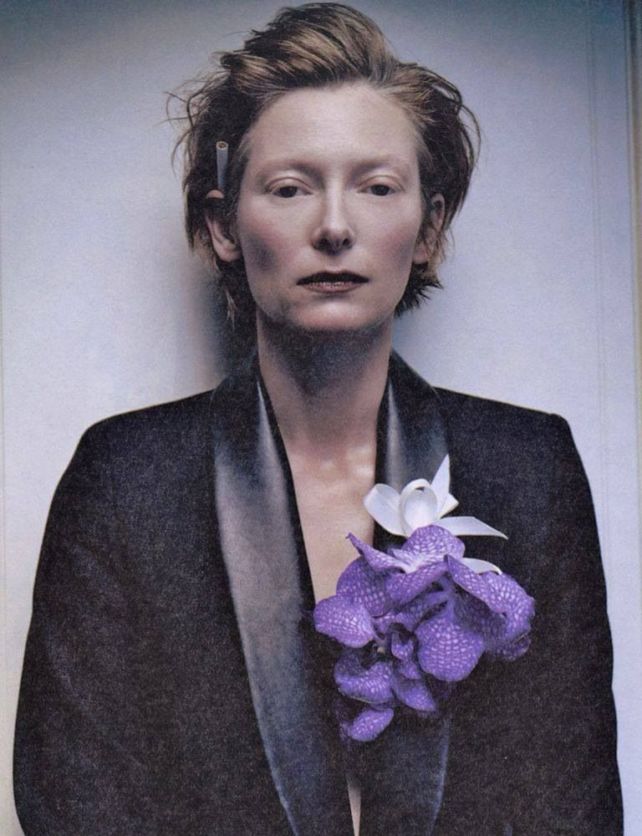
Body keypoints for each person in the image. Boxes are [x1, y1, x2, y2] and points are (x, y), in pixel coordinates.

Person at [14, 4, 622, 834]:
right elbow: (70, 802)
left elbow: (576, 802)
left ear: (429, 227)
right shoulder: (126, 478)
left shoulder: (528, 466)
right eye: (290, 188)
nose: (335, 227)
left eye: (377, 187)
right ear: (224, 226)